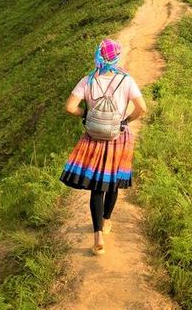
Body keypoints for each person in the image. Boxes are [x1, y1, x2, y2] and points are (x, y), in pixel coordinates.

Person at [60, 38, 147, 255]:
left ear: (98, 55)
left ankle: (97, 234)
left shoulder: (88, 80)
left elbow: (70, 107)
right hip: (117, 138)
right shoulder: (126, 81)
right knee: (112, 183)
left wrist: (86, 114)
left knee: (97, 188)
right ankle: (106, 221)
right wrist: (125, 121)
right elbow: (142, 109)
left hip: (93, 138)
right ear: (116, 57)